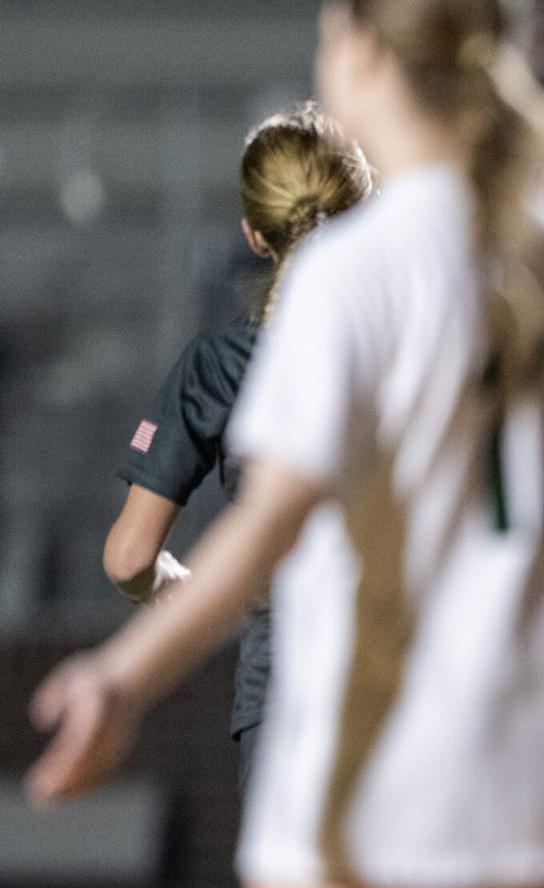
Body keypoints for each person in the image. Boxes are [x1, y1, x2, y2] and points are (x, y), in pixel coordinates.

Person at [26, 2, 544, 888]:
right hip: (527, 739)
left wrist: (121, 675)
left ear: (367, 53)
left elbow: (270, 522)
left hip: (372, 740)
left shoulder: (348, 271)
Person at [102, 105, 373, 790]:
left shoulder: (217, 365)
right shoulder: (419, 342)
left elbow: (129, 556)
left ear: (255, 234)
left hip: (281, 690)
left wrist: (184, 588)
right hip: (409, 684)